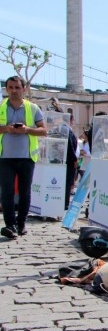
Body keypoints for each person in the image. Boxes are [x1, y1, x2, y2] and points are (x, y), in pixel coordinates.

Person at [0, 76, 46, 239]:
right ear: (6, 89)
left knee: (25, 192)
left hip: (26, 157)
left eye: (17, 87)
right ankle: (10, 225)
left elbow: (43, 131)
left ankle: (21, 224)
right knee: (7, 192)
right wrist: (6, 129)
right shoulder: (1, 107)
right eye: (10, 87)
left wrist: (26, 129)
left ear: (24, 89)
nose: (14, 91)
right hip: (5, 157)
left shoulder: (33, 108)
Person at [51, 101, 79, 209]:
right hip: (67, 161)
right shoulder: (64, 129)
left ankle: (63, 202)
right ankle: (65, 203)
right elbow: (70, 146)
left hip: (63, 159)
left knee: (66, 183)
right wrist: (74, 159)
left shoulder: (60, 128)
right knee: (67, 183)